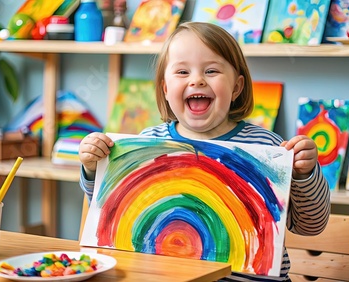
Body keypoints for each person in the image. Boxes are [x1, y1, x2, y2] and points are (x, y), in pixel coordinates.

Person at [78, 21, 330, 281]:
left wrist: (305, 175)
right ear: (165, 89)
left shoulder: (268, 147)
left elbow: (311, 225)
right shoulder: (146, 143)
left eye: (211, 71)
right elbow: (108, 212)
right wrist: (93, 168)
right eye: (182, 72)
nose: (197, 80)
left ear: (236, 87)